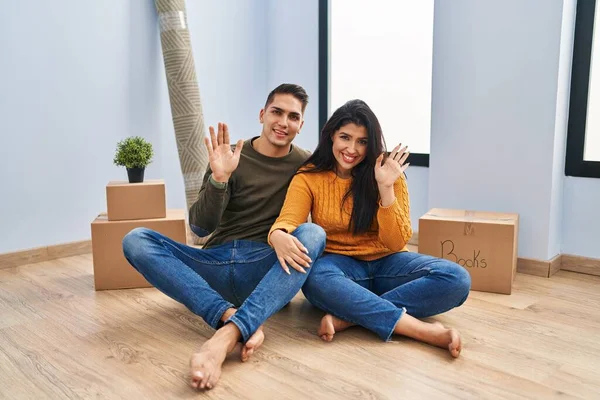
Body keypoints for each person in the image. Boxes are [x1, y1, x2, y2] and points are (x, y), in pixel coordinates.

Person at [122, 84, 326, 390]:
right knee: (135, 240)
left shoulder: (306, 164)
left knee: (313, 233)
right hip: (213, 263)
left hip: (262, 264)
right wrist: (219, 179)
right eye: (277, 112)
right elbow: (201, 228)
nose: (284, 122)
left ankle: (227, 333)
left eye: (293, 117)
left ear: (301, 125)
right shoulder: (229, 157)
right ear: (262, 114)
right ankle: (228, 314)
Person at [268, 99, 471, 358]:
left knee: (457, 279)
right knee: (315, 280)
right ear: (332, 134)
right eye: (345, 137)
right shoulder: (309, 176)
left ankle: (352, 317)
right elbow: (288, 220)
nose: (352, 149)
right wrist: (278, 236)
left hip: (388, 262)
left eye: (362, 141)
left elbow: (397, 243)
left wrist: (385, 188)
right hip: (340, 267)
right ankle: (420, 330)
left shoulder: (387, 172)